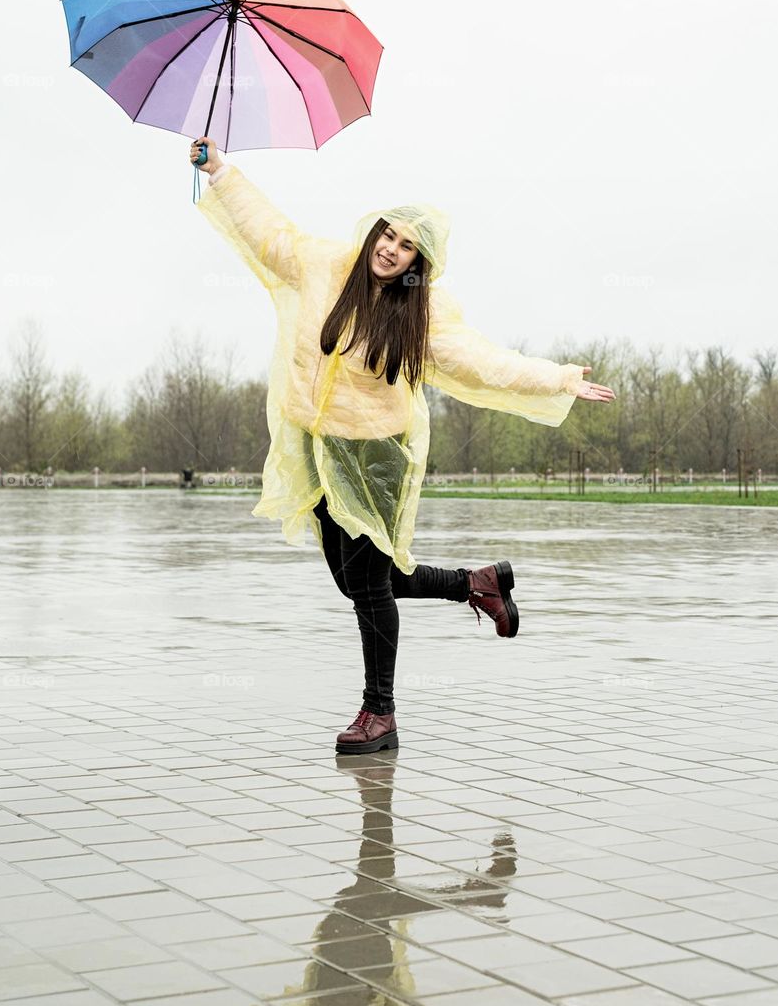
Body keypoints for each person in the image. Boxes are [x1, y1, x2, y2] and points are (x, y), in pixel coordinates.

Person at [189, 136, 615, 755]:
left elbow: (484, 362)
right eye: (387, 235)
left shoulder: (421, 316)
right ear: (374, 234)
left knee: (368, 588)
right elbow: (269, 233)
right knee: (358, 580)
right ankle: (476, 583)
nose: (390, 249)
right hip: (318, 447)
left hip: (375, 458)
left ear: (420, 260)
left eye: (406, 245)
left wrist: (559, 379)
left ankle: (379, 714)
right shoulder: (327, 266)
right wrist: (221, 171)